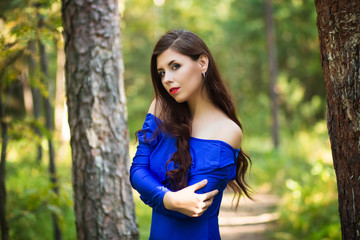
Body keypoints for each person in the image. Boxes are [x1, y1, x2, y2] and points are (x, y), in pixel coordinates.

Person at [130, 29, 252, 240]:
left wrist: (157, 194)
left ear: (202, 63)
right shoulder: (160, 109)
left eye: (175, 66)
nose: (167, 79)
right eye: (161, 73)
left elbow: (192, 207)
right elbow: (137, 171)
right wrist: (168, 199)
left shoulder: (227, 131)